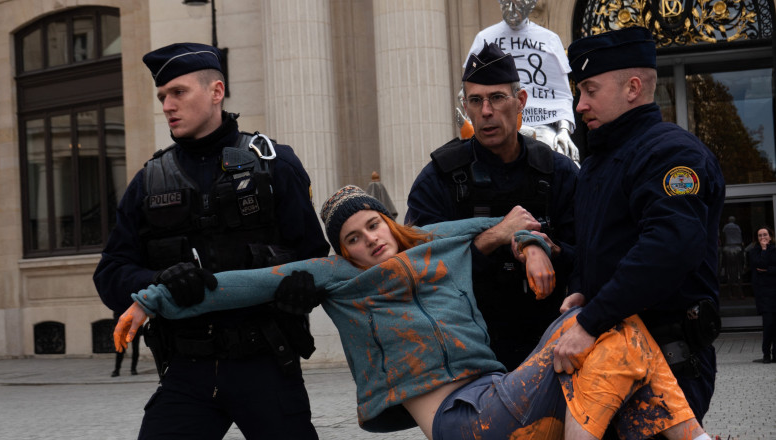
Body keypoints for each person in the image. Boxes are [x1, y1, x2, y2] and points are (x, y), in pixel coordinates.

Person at [115, 185, 712, 440]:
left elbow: (516, 220)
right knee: (609, 332)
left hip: (502, 395)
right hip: (462, 422)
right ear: (341, 249)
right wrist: (149, 301)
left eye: (372, 224)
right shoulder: (340, 279)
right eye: (352, 236)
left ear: (388, 220)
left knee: (602, 323)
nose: (369, 240)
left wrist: (530, 246)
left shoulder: (436, 243)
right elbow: (238, 286)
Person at [92, 42, 330, 439]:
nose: (167, 105)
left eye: (178, 93)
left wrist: (303, 289)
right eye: (162, 96)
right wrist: (160, 278)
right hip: (187, 371)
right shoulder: (150, 181)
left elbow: (314, 256)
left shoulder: (273, 165)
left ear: (216, 92)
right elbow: (111, 273)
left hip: (266, 362)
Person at [555, 26, 725, 426]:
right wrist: (581, 287)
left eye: (590, 90)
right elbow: (597, 242)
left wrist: (590, 320)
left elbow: (668, 250)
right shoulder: (601, 160)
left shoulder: (671, 153)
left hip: (668, 361)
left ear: (632, 88)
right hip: (613, 358)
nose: (580, 105)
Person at [406, 42, 579, 370]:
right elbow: (420, 267)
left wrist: (539, 246)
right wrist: (496, 236)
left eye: (497, 98)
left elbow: (588, 256)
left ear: (520, 101)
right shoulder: (438, 179)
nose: (486, 111)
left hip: (550, 348)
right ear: (465, 107)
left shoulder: (558, 172)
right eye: (476, 100)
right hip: (469, 355)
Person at [462, 0, 579, 164]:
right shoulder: (484, 39)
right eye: (505, 4)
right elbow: (468, 89)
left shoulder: (550, 39)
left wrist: (564, 131)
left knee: (564, 161)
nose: (510, 10)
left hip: (542, 126)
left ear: (531, 5)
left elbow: (562, 94)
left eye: (517, 5)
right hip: (499, 124)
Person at [747, 226, 776, 364]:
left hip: (774, 291)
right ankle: (766, 355)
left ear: (770, 236)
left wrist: (767, 270)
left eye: (765, 234)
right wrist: (764, 250)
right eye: (760, 235)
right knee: (768, 324)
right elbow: (759, 265)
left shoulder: (775, 250)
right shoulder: (754, 252)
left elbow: (765, 268)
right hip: (764, 294)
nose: (763, 237)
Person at [111, 309, 142, 377]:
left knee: (135, 349)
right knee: (120, 349)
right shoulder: (120, 303)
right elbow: (116, 315)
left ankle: (133, 369)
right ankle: (117, 370)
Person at [721, 216, 745, 298]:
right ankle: (740, 292)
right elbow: (740, 237)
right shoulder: (737, 227)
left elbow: (723, 237)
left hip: (727, 248)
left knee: (728, 270)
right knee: (738, 270)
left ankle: (730, 293)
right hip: (737, 248)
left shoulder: (726, 227)